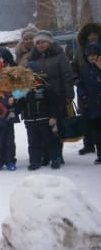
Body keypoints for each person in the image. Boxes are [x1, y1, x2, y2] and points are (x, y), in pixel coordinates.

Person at [28, 30, 74, 167]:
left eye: (43, 42)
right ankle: (45, 155)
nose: (41, 45)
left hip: (57, 96)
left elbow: (67, 76)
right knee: (43, 128)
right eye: (38, 42)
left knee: (56, 127)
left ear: (50, 42)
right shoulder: (33, 58)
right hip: (39, 99)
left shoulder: (60, 56)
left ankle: (57, 155)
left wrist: (69, 95)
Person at [16, 69, 60, 170]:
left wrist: (53, 116)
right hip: (30, 121)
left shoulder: (45, 87)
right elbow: (19, 105)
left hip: (44, 120)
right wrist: (14, 101)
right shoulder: (23, 89)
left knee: (49, 140)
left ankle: (55, 159)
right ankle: (34, 162)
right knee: (33, 143)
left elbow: (54, 104)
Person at [73, 22, 101, 155]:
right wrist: (76, 78)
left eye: (95, 34)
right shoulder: (80, 50)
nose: (92, 37)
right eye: (90, 35)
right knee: (86, 117)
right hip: (85, 86)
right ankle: (88, 144)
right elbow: (74, 65)